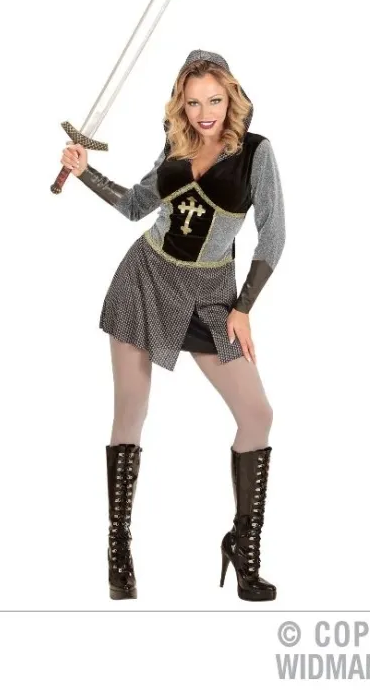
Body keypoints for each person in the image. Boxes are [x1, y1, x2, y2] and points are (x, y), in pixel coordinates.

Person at [60, 49, 285, 601]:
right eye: (193, 102)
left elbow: (273, 237)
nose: (205, 112)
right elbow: (136, 205)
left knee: (257, 415)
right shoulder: (176, 142)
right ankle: (118, 547)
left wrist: (242, 308)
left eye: (214, 100)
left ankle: (243, 547)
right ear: (180, 105)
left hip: (211, 298)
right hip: (146, 281)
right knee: (131, 413)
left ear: (232, 98)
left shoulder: (256, 153)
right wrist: (85, 173)